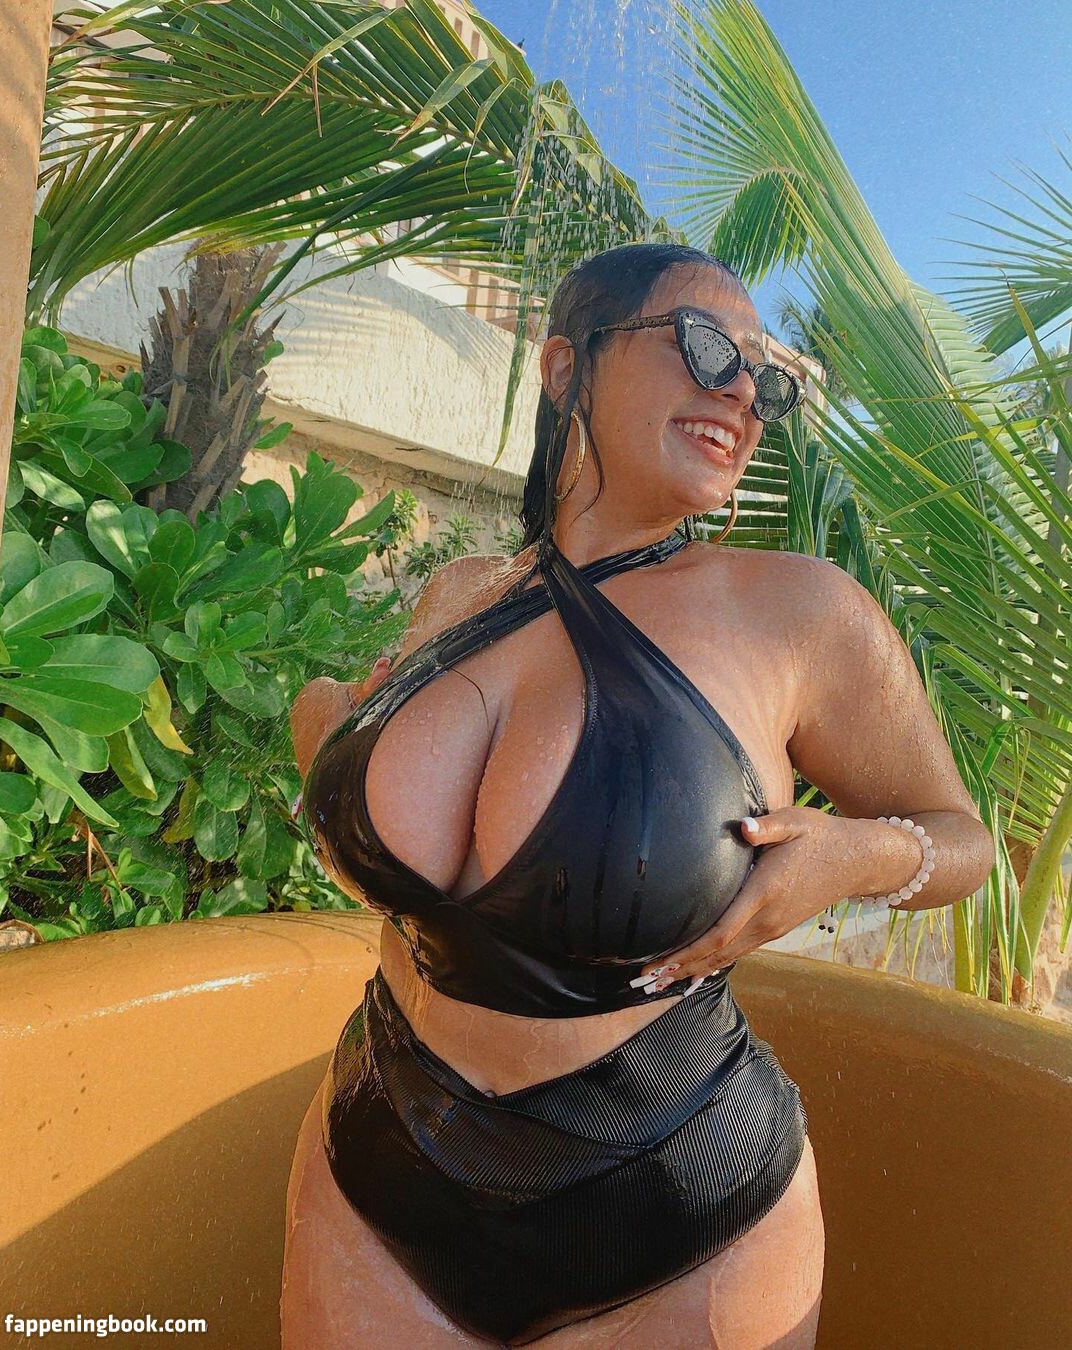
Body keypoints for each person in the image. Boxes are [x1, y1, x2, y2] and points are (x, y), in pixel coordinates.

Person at [281, 243, 996, 1347]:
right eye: (707, 346)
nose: (742, 392)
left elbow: (963, 842)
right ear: (566, 366)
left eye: (767, 377)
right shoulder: (458, 597)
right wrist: (329, 729)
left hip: (679, 1207)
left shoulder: (800, 613)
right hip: (378, 1167)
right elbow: (421, 858)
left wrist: (855, 857)